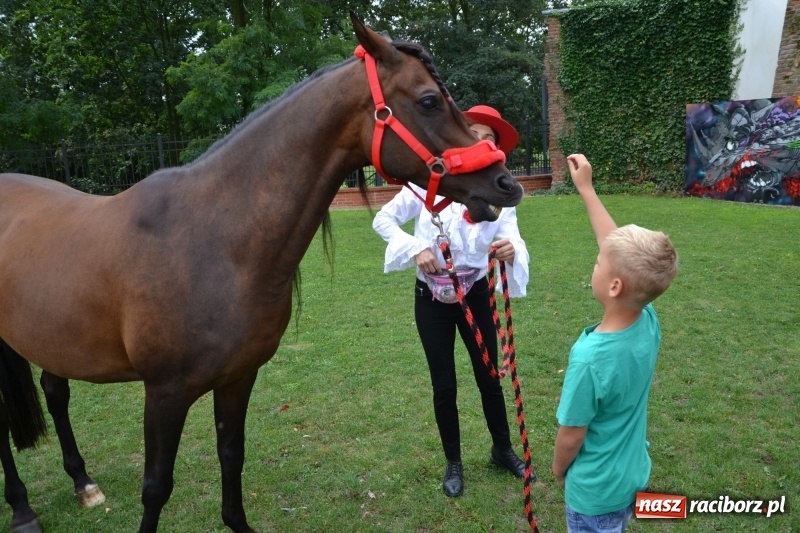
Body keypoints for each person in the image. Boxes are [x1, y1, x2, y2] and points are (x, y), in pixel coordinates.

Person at [372, 105, 532, 498]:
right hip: (431, 299)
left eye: (488, 138)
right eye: (473, 134)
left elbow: (512, 234)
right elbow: (383, 220)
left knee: (489, 377)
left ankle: (502, 449)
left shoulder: (498, 195)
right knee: (444, 384)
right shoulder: (427, 184)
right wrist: (415, 247)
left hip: (475, 294)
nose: (480, 142)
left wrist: (511, 250)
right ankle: (454, 461)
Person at [553, 153, 679, 532]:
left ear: (614, 286)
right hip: (631, 476)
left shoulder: (589, 358)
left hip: (595, 492)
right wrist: (586, 189)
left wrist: (559, 471)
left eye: (597, 262)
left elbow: (572, 434)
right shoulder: (647, 319)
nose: (595, 262)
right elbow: (612, 245)